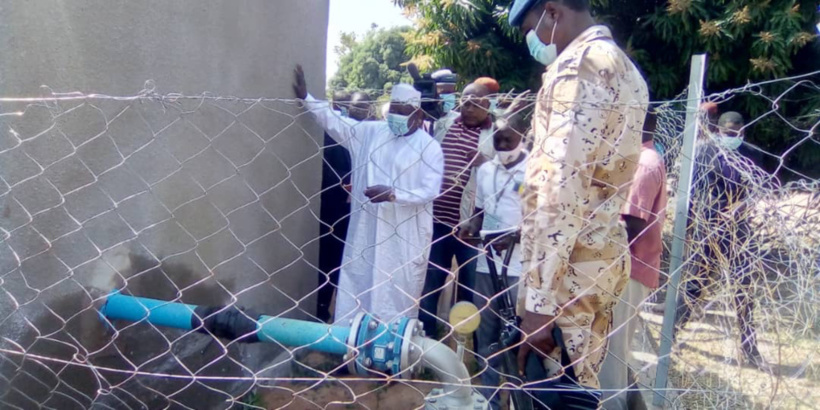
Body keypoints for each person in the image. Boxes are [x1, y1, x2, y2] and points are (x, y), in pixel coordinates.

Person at [508, 0, 649, 389]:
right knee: (581, 384)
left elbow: (560, 187)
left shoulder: (578, 67)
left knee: (554, 390)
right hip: (597, 256)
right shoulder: (624, 68)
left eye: (529, 29)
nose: (532, 41)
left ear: (552, 12)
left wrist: (538, 306)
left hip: (565, 274)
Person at [293, 65, 444, 323]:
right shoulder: (372, 133)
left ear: (417, 116)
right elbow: (336, 122)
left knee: (396, 292)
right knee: (359, 282)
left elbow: (429, 190)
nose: (395, 116)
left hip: (403, 235)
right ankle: (350, 342)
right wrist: (308, 99)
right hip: (366, 231)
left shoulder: (429, 148)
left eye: (402, 112)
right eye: (393, 110)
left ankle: (391, 347)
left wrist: (394, 194)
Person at [676, 111, 767, 369]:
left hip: (739, 230)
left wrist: (741, 207)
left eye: (737, 134)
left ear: (743, 132)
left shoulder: (752, 154)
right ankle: (671, 335)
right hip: (710, 227)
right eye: (728, 134)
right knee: (696, 285)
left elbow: (758, 188)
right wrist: (692, 227)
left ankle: (749, 349)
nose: (733, 138)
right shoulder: (705, 153)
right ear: (718, 131)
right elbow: (692, 193)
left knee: (744, 290)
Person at [462, 106, 530, 409]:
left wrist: (514, 236)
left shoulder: (533, 172)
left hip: (518, 266)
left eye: (508, 140)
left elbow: (542, 220)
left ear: (522, 137)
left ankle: (519, 395)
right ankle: (490, 397)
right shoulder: (487, 169)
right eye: (497, 141)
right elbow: (480, 209)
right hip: (485, 262)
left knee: (516, 332)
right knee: (486, 328)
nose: (502, 147)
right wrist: (470, 225)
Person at [599, 110, 666, 410]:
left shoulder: (642, 164)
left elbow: (631, 226)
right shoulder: (637, 159)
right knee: (618, 351)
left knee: (610, 354)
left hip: (628, 268)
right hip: (625, 267)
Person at [419, 82, 494, 337]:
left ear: (488, 104)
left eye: (476, 102)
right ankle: (426, 338)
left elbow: (507, 176)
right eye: (466, 100)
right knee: (431, 282)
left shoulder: (494, 136)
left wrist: (486, 163)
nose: (469, 107)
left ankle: (465, 342)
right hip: (437, 221)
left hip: (470, 227)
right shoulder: (446, 123)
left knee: (469, 287)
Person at [316, 90, 354, 323]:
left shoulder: (363, 133)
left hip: (352, 211)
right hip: (331, 208)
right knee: (327, 261)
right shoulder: (329, 134)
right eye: (348, 106)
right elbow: (322, 168)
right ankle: (321, 309)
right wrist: (345, 183)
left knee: (345, 261)